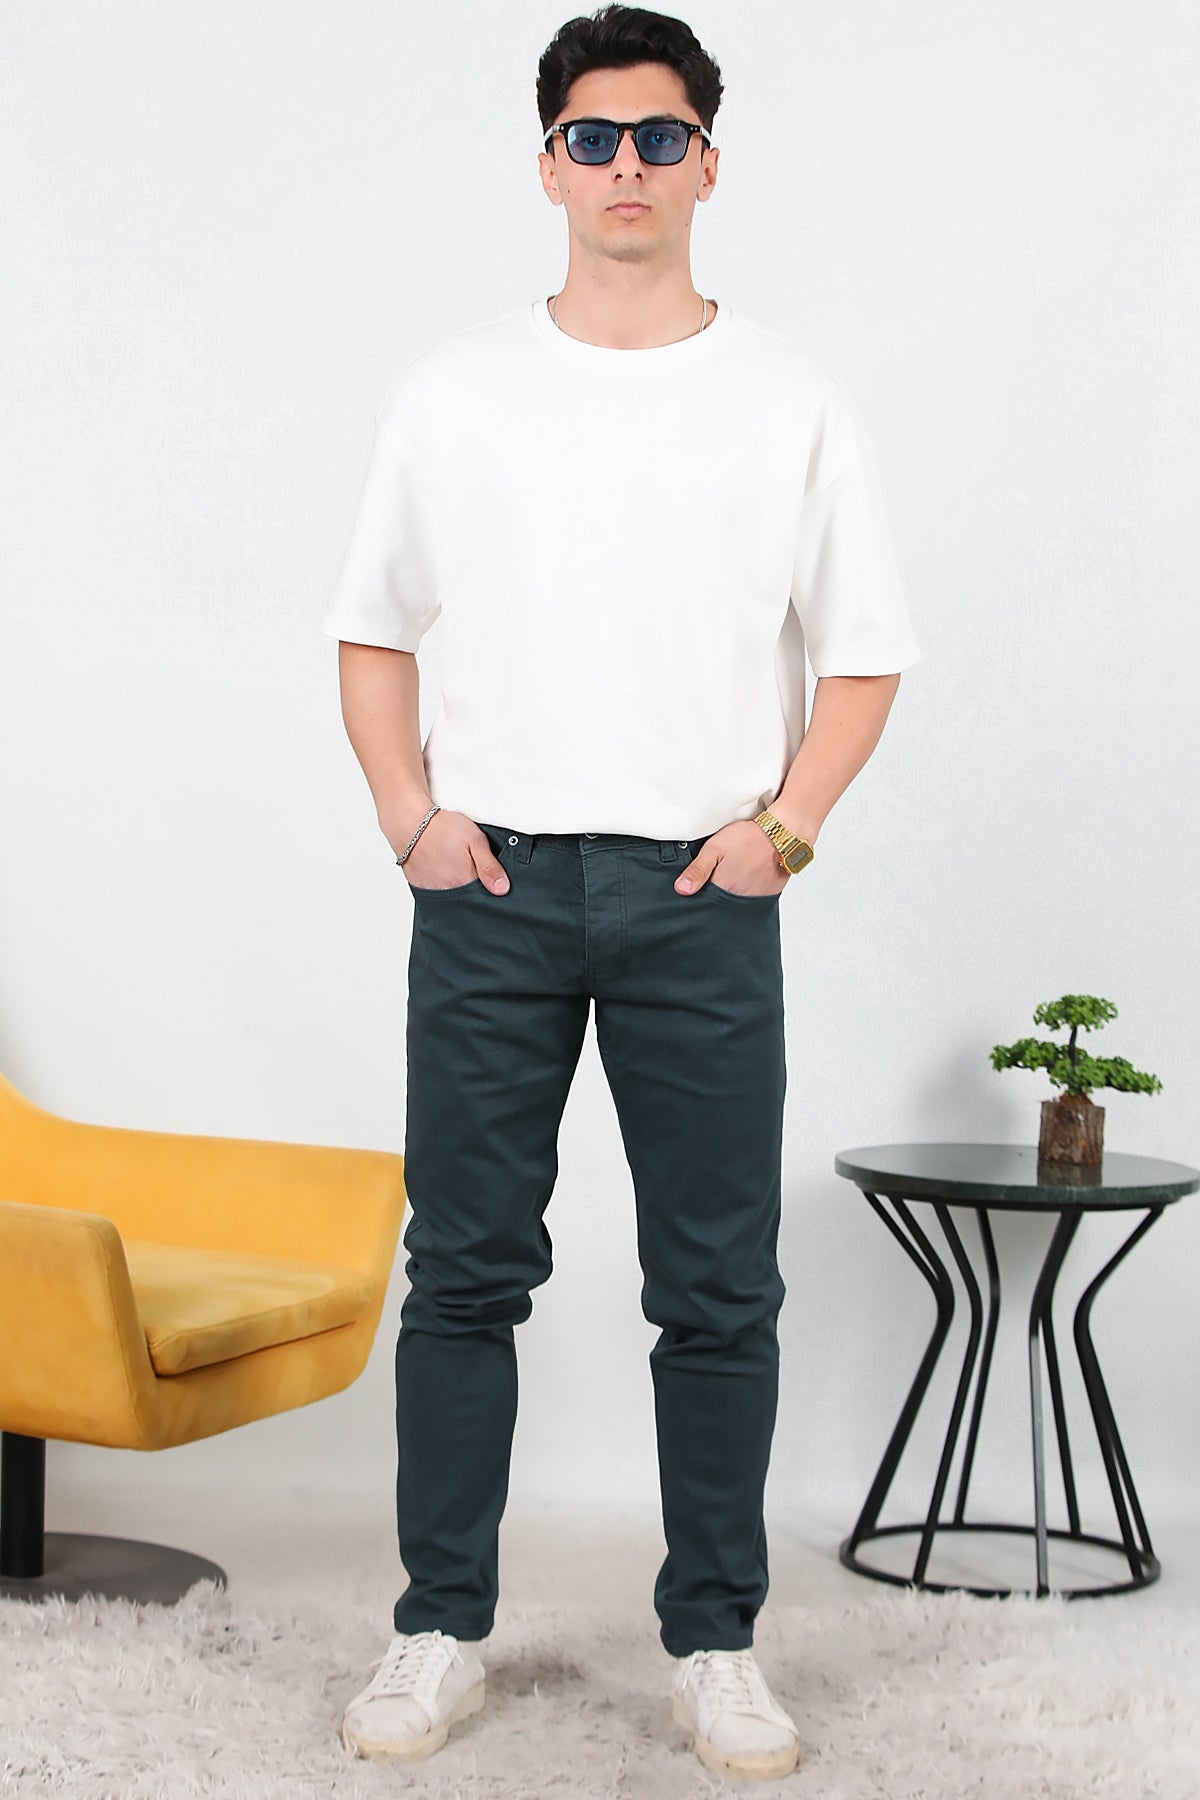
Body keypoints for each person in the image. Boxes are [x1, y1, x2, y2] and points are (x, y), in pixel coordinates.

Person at [323, 4, 920, 1782]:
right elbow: (372, 627)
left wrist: (782, 835)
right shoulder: (458, 389)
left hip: (700, 892)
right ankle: (439, 1626)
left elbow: (865, 656)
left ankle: (718, 1644)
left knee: (718, 1289)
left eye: (662, 137)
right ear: (549, 167)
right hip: (492, 888)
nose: (628, 167)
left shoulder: (789, 398)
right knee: (463, 1275)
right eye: (595, 138)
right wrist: (410, 819)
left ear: (709, 165)